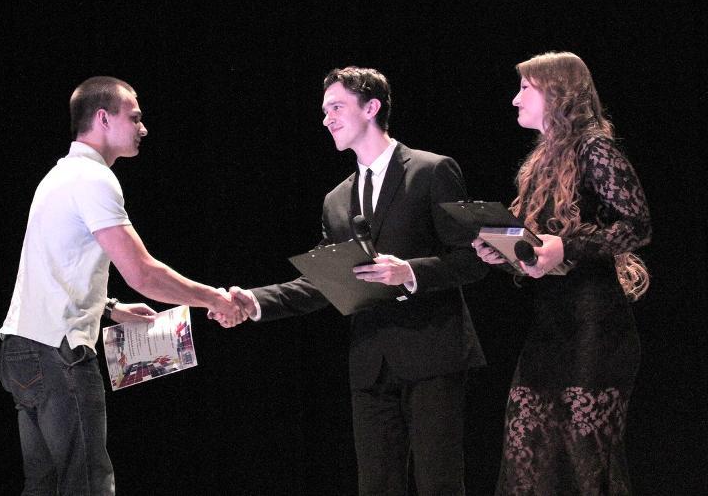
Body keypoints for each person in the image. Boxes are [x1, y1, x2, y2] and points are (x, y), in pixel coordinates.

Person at [214, 66, 488, 495]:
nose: (327, 119)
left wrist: (410, 272)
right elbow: (324, 281)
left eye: (337, 107)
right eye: (325, 111)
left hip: (432, 352)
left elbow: (472, 260)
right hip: (371, 363)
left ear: (371, 107)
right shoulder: (336, 200)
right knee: (376, 486)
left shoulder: (431, 170)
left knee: (439, 484)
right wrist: (254, 300)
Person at [0, 76, 243, 495]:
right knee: (87, 485)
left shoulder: (60, 174)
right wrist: (213, 298)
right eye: (135, 117)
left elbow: (56, 267)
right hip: (56, 354)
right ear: (103, 118)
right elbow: (142, 273)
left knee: (45, 486)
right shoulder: (94, 179)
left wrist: (110, 307)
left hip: (22, 350)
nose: (143, 128)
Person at [472, 52, 651, 495]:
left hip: (595, 327)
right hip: (550, 328)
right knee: (526, 457)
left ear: (557, 93)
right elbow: (538, 252)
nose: (515, 99)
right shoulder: (541, 161)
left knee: (586, 461)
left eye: (525, 89)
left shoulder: (594, 149)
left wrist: (566, 247)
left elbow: (637, 225)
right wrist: (506, 254)